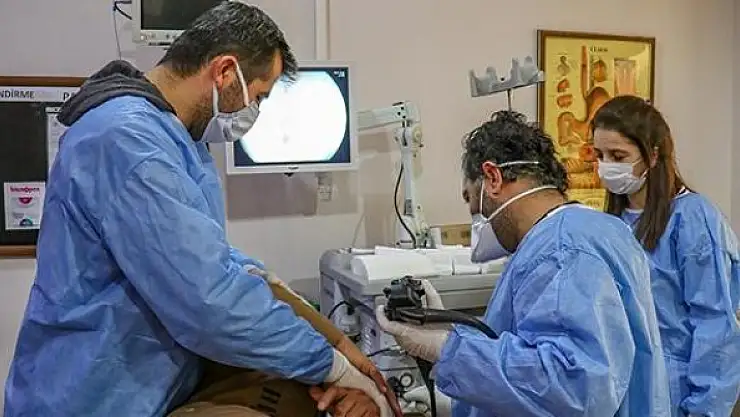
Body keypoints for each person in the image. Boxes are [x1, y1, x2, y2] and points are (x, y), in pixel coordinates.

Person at [3, 3, 398, 417]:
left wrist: (333, 340)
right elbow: (208, 302)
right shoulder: (128, 141)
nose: (254, 112)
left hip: (147, 381)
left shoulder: (178, 138)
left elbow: (208, 258)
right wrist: (330, 366)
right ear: (225, 71)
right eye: (258, 96)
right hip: (91, 395)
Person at [376, 110, 672, 416]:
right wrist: (456, 337)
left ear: (492, 178)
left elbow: (572, 388)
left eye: (470, 198)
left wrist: (446, 349)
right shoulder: (599, 230)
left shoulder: (561, 250)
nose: (475, 214)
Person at [592, 95, 740, 417]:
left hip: (676, 391)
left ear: (653, 154)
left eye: (618, 156)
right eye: (599, 155)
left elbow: (715, 325)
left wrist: (704, 409)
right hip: (623, 388)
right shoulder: (610, 224)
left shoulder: (691, 219)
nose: (606, 166)